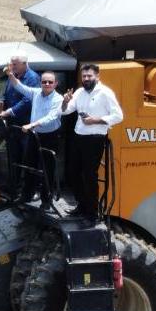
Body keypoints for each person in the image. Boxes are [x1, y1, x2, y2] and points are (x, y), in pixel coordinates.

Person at [60, 63, 123, 219]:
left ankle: (92, 212)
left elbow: (119, 116)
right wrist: (65, 101)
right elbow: (66, 111)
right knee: (73, 173)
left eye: (89, 76)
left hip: (94, 138)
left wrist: (96, 120)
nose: (86, 79)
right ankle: (81, 205)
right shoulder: (80, 92)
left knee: (89, 175)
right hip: (78, 136)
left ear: (97, 76)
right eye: (84, 76)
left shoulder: (106, 93)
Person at [0, 68, 63, 210]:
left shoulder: (58, 99)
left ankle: (46, 200)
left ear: (55, 84)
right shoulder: (36, 93)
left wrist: (32, 124)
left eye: (50, 82)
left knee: (47, 169)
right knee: (29, 165)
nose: (46, 84)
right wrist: (10, 74)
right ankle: (27, 195)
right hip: (35, 135)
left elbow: (51, 117)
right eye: (44, 81)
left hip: (50, 136)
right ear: (40, 83)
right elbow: (20, 87)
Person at [0, 55, 40, 196]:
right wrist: (1, 103)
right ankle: (14, 187)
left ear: (24, 63)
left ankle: (29, 190)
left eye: (15, 64)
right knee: (14, 157)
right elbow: (6, 93)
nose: (12, 66)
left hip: (26, 125)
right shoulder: (13, 76)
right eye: (11, 63)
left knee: (27, 158)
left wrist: (9, 112)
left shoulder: (33, 78)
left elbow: (28, 101)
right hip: (13, 126)